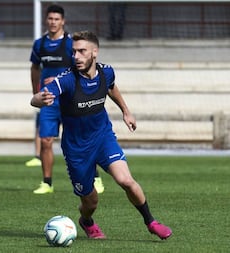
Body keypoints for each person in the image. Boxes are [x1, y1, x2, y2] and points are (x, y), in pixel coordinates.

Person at [30, 30, 172, 240]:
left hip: (103, 137)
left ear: (94, 52)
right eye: (74, 52)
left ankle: (151, 222)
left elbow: (111, 88)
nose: (76, 56)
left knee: (126, 181)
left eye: (81, 51)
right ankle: (86, 221)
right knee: (91, 201)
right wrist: (41, 99)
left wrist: (126, 111)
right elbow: (34, 99)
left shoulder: (106, 72)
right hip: (77, 149)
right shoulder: (67, 79)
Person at [29, 4, 104, 194]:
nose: (53, 22)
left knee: (82, 139)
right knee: (46, 140)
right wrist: (37, 92)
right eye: (50, 19)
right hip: (49, 100)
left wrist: (59, 80)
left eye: (56, 19)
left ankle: (95, 177)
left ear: (63, 21)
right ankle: (47, 182)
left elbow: (80, 69)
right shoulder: (39, 44)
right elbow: (34, 68)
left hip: (70, 99)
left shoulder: (72, 44)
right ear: (46, 20)